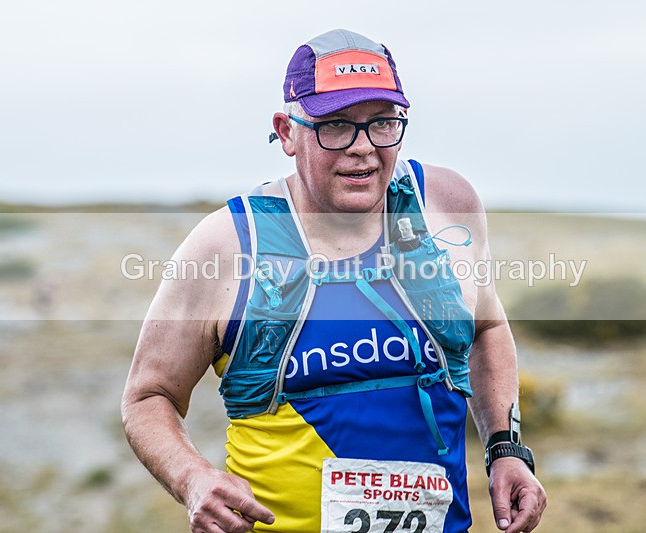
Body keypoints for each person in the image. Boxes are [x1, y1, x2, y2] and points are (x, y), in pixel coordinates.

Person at [122, 28, 546, 533]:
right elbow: (148, 398)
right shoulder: (227, 245)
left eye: (383, 123)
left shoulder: (445, 206)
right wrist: (192, 478)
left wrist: (505, 448)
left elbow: (488, 328)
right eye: (336, 125)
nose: (362, 149)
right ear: (286, 131)